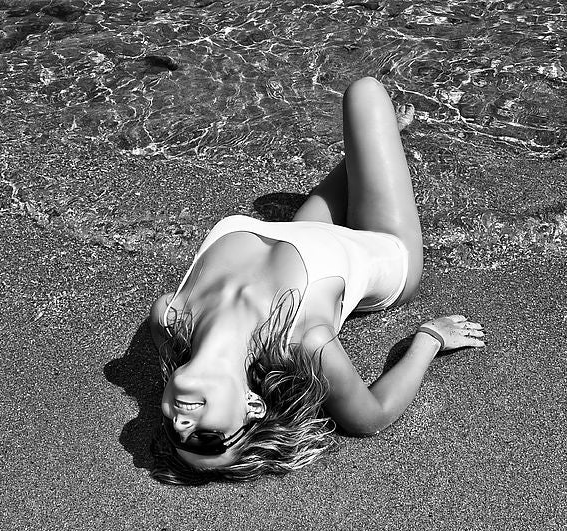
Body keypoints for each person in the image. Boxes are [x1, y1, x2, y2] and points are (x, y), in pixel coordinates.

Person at [149, 76, 486, 484]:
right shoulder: (302, 340)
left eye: (175, 435)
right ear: (251, 407)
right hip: (382, 249)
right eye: (207, 441)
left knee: (371, 129)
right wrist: (430, 340)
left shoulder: (171, 316)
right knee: (365, 94)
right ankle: (381, 147)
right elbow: (370, 418)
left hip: (306, 234)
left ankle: (382, 146)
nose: (184, 427)